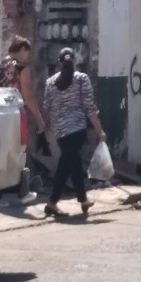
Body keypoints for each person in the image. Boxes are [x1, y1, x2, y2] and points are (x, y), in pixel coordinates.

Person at [42, 48, 106, 217]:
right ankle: (52, 202)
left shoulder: (50, 82)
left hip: (60, 132)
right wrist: (100, 131)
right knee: (65, 164)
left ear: (59, 62)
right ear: (75, 61)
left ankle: (83, 200)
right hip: (77, 129)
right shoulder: (81, 79)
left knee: (74, 161)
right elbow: (90, 108)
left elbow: (47, 108)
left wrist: (52, 125)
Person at [0, 35, 43, 207]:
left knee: (0, 153)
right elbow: (28, 96)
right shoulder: (21, 68)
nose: (27, 57)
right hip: (15, 116)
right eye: (27, 52)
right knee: (18, 152)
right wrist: (39, 119)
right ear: (23, 49)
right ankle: (21, 192)